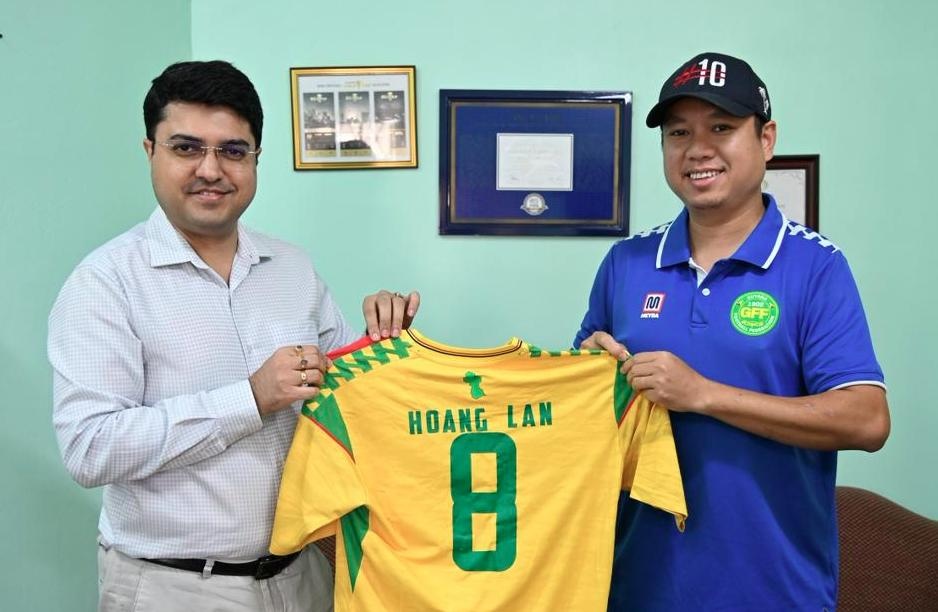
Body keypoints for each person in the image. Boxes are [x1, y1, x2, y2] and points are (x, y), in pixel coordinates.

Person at [48, 60, 418, 612]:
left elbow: (342, 398)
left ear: (255, 159)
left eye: (232, 151)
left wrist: (379, 346)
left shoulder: (292, 267)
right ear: (150, 151)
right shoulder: (105, 283)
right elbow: (90, 449)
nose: (211, 169)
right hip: (174, 588)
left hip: (304, 577)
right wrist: (250, 398)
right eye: (186, 148)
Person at [575, 52, 890, 610]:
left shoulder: (815, 266)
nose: (697, 149)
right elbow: (584, 423)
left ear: (766, 140)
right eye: (679, 133)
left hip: (773, 590)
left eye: (721, 128)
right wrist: (588, 374)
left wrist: (703, 394)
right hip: (636, 588)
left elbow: (867, 419)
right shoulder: (627, 262)